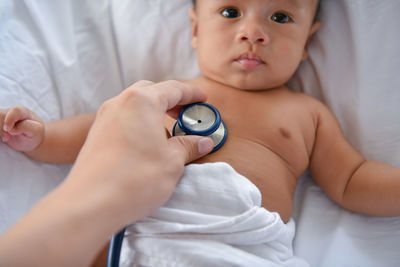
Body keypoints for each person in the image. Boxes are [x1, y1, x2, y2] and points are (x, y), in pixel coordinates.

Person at [1, 0, 400, 265]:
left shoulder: (308, 114)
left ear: (307, 42)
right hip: (147, 233)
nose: (253, 32)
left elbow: (351, 179)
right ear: (195, 29)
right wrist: (43, 138)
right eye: (230, 12)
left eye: (280, 17)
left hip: (244, 248)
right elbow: (102, 130)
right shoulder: (164, 94)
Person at [0, 81, 214, 267]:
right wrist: (45, 138)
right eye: (229, 29)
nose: (247, 34)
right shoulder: (166, 99)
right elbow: (110, 136)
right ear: (195, 33)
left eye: (250, 29)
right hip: (141, 243)